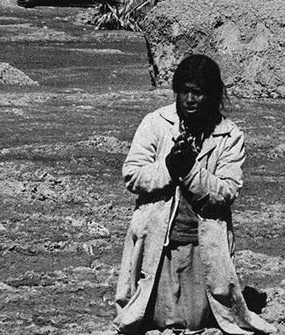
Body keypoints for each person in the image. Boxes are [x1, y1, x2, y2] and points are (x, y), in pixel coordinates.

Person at [113, 54, 275, 335]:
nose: (190, 99)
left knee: (196, 320)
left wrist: (190, 172)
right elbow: (132, 175)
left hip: (202, 241)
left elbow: (226, 191)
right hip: (157, 237)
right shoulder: (155, 123)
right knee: (157, 318)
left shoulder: (229, 136)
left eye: (198, 93)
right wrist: (167, 168)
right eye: (184, 91)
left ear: (211, 96)